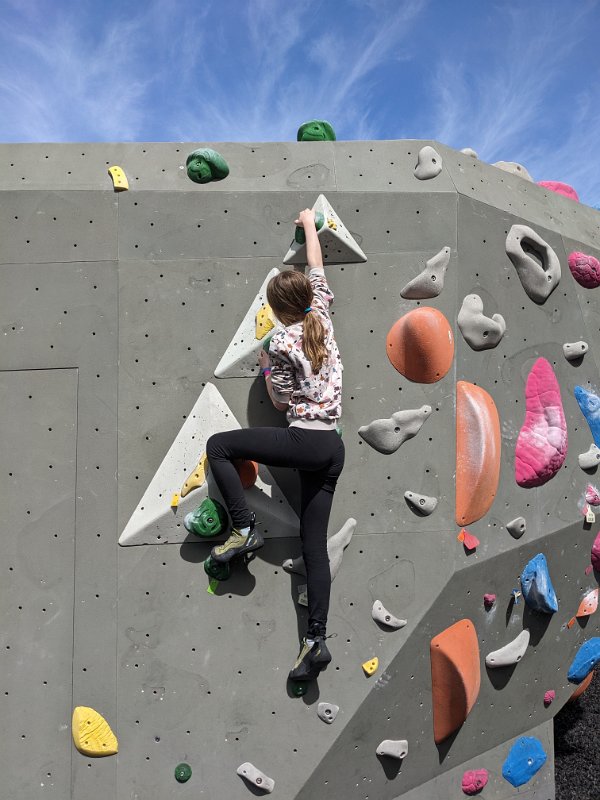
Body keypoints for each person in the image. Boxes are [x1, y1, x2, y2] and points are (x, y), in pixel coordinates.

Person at [205, 207, 345, 681]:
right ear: (307, 297)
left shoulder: (281, 342)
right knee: (315, 547)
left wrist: (266, 366)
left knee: (220, 446)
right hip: (332, 450)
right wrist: (310, 223)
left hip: (303, 439)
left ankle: (243, 529)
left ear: (275, 309)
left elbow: (280, 398)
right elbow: (317, 266)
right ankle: (316, 640)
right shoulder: (321, 312)